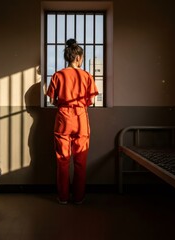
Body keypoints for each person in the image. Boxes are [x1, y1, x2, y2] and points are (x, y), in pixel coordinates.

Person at [46, 39, 98, 204]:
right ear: (78, 58)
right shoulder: (86, 76)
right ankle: (78, 197)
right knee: (80, 160)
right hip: (81, 118)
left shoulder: (58, 75)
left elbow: (53, 100)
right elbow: (91, 101)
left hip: (63, 119)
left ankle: (62, 197)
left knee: (62, 160)